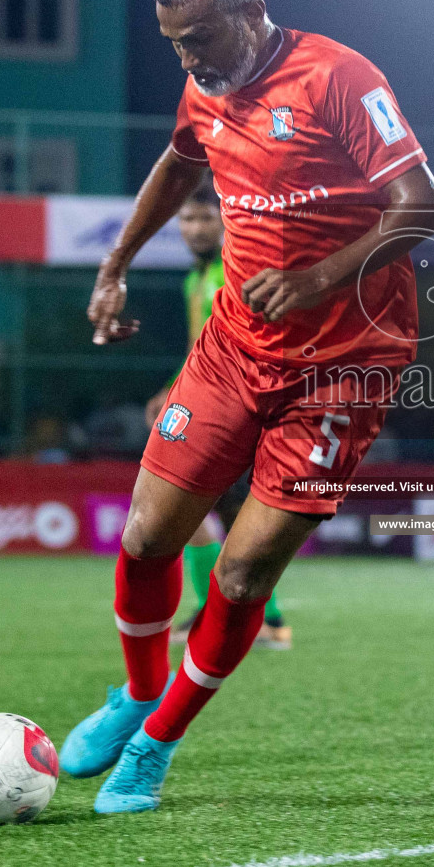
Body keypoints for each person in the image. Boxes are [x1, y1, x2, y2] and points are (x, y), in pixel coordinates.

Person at [59, 0, 434, 814]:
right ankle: (136, 693)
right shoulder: (208, 81)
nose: (188, 59)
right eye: (175, 46)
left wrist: (316, 278)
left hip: (343, 370)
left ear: (250, 11)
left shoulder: (339, 79)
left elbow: (425, 206)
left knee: (240, 576)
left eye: (199, 38)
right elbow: (178, 159)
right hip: (236, 347)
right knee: (147, 537)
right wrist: (116, 262)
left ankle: (156, 746)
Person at [143, 181, 292, 651]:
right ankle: (233, 613)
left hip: (245, 403)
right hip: (209, 401)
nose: (194, 228)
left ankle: (264, 619)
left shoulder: (235, 271)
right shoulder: (196, 279)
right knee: (195, 506)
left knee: (229, 507)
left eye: (205, 217)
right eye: (186, 219)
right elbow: (199, 349)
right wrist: (171, 389)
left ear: (225, 220)